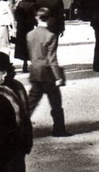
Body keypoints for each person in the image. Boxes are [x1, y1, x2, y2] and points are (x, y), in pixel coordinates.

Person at [26, 7, 68, 136]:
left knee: (30, 103)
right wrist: (58, 77)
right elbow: (52, 59)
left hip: (34, 71)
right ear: (49, 19)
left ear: (36, 18)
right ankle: (59, 129)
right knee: (56, 102)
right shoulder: (50, 35)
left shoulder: (30, 34)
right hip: (47, 73)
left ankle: (17, 127)